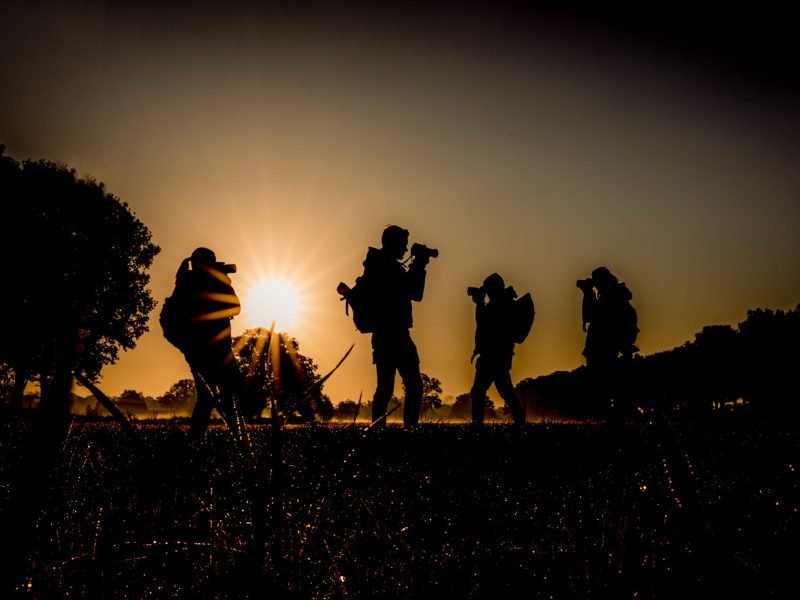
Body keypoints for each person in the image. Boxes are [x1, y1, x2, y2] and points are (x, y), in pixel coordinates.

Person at [165, 247, 246, 440]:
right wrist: (224, 282)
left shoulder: (185, 283)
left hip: (198, 351)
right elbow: (235, 307)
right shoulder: (206, 283)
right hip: (217, 349)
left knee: (208, 397)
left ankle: (196, 439)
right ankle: (238, 439)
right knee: (229, 394)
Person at [361, 225, 436, 427]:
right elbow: (415, 293)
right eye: (403, 244)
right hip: (396, 334)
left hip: (382, 334)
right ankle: (409, 428)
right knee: (413, 386)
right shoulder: (389, 267)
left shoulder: (377, 265)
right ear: (394, 244)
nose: (405, 249)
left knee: (384, 388)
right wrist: (419, 265)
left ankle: (377, 430)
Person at [468, 273, 526, 425]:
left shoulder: (502, 304)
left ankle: (477, 424)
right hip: (497, 355)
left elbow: (484, 324)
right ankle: (519, 422)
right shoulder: (502, 302)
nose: (485, 292)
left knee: (480, 392)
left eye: (487, 289)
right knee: (504, 392)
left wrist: (480, 304)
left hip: (494, 355)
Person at [577, 266, 639, 369]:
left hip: (612, 338)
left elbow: (598, 314)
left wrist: (587, 292)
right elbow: (595, 314)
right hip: (610, 339)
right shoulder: (614, 294)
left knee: (601, 363)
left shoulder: (614, 295)